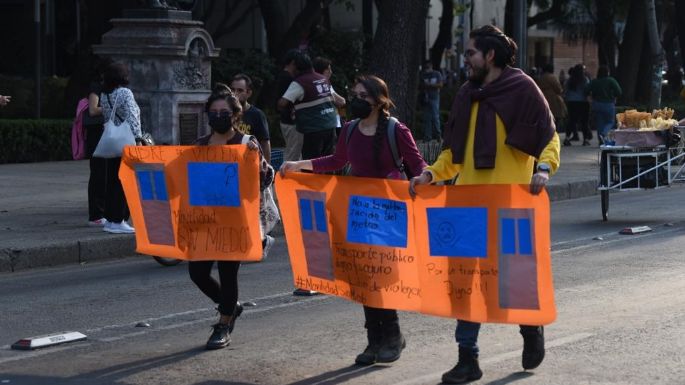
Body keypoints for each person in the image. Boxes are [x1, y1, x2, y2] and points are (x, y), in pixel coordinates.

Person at [410, 25, 560, 384]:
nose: (465, 60)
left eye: (470, 54)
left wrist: (543, 168)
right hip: (468, 205)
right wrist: (430, 175)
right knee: (465, 283)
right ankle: (468, 359)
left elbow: (548, 136)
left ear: (489, 56)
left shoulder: (522, 88)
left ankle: (530, 326)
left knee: (516, 279)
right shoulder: (466, 94)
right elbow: (453, 153)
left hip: (511, 204)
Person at [280, 74, 427, 366]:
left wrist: (423, 180)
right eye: (354, 93)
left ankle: (393, 336)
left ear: (378, 101)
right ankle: (374, 341)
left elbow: (418, 164)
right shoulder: (348, 130)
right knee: (364, 277)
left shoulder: (396, 130)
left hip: (389, 213)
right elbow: (335, 161)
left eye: (363, 95)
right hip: (359, 212)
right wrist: (299, 165)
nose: (356, 99)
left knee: (382, 276)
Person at [190, 86, 274, 349]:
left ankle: (224, 323)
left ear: (235, 116)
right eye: (213, 112)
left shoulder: (245, 144)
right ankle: (231, 306)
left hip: (235, 220)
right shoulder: (199, 145)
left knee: (228, 274)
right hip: (205, 220)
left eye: (223, 112)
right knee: (198, 272)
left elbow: (265, 178)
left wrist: (258, 166)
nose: (218, 116)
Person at [98, 62, 142, 234]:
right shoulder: (125, 92)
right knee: (126, 181)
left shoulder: (104, 94)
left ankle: (110, 219)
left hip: (113, 142)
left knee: (113, 180)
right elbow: (132, 118)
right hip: (127, 142)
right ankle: (119, 219)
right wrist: (138, 140)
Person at [278, 51, 338, 161]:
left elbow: (282, 103)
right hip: (330, 126)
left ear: (296, 67)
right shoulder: (323, 79)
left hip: (313, 128)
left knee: (310, 163)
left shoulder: (299, 82)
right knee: (328, 161)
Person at [230, 74, 271, 163]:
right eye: (232, 90)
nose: (235, 93)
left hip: (250, 161)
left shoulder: (257, 114)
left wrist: (266, 168)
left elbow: (265, 143)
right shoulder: (226, 112)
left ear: (249, 93)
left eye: (240, 90)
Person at [84, 66, 107, 226]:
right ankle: (96, 214)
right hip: (97, 135)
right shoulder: (96, 87)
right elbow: (92, 110)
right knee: (98, 174)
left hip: (106, 135)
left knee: (106, 174)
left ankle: (104, 211)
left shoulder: (112, 89)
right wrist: (112, 107)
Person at [277, 49, 304, 162]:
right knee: (292, 155)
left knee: (293, 153)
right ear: (293, 62)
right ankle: (286, 178)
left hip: (285, 120)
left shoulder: (282, 76)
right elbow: (283, 102)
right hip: (291, 122)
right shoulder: (288, 78)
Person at [586, 65, 622, 145]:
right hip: (608, 104)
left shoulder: (595, 81)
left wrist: (591, 97)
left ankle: (600, 140)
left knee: (600, 122)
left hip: (596, 104)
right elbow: (619, 91)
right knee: (610, 121)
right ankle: (603, 133)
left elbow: (586, 90)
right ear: (607, 72)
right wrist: (614, 96)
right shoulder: (610, 80)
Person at [313, 56, 346, 137]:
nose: (331, 72)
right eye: (328, 69)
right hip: (327, 123)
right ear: (321, 70)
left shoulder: (327, 83)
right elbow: (341, 102)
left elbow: (342, 103)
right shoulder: (320, 84)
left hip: (335, 121)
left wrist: (343, 118)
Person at [564, 64, 592, 146]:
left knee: (571, 120)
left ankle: (567, 138)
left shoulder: (570, 80)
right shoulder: (585, 79)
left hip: (572, 102)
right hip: (583, 102)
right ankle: (585, 140)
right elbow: (587, 90)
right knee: (584, 122)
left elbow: (565, 91)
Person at [536, 63, 567, 134]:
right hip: (553, 100)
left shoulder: (540, 77)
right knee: (556, 119)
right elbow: (558, 89)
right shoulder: (552, 77)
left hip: (543, 99)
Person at [421, 60, 444, 142]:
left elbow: (440, 85)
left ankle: (438, 136)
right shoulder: (424, 75)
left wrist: (430, 85)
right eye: (426, 67)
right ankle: (427, 136)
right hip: (426, 98)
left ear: (431, 66)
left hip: (434, 97)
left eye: (428, 67)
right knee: (427, 117)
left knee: (435, 117)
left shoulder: (437, 74)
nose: (427, 69)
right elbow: (422, 86)